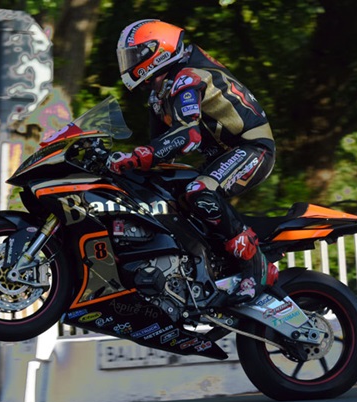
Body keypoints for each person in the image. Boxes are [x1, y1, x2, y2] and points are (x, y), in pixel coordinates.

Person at [107, 19, 278, 304]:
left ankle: (255, 266)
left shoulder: (188, 78)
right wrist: (126, 164)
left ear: (157, 50)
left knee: (199, 192)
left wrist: (137, 157)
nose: (129, 63)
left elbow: (189, 136)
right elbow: (160, 150)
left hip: (252, 149)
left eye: (134, 55)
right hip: (222, 158)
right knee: (169, 192)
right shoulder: (158, 94)